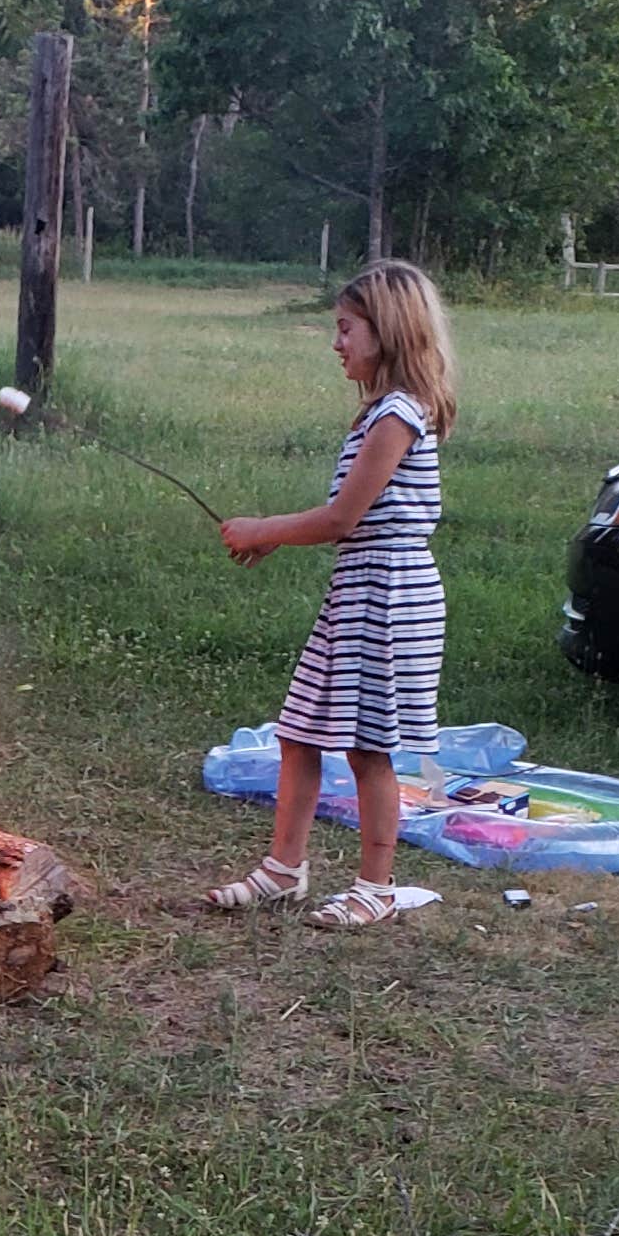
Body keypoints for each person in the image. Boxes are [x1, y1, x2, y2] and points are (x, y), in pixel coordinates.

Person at [209, 263, 455, 930]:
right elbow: (348, 523)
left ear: (387, 331)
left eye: (346, 328)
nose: (336, 342)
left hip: (389, 593)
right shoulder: (378, 412)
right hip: (358, 587)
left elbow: (343, 518)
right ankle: (284, 871)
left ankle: (375, 887)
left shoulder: (399, 415)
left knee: (369, 748)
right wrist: (274, 539)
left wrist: (267, 529)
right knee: (298, 732)